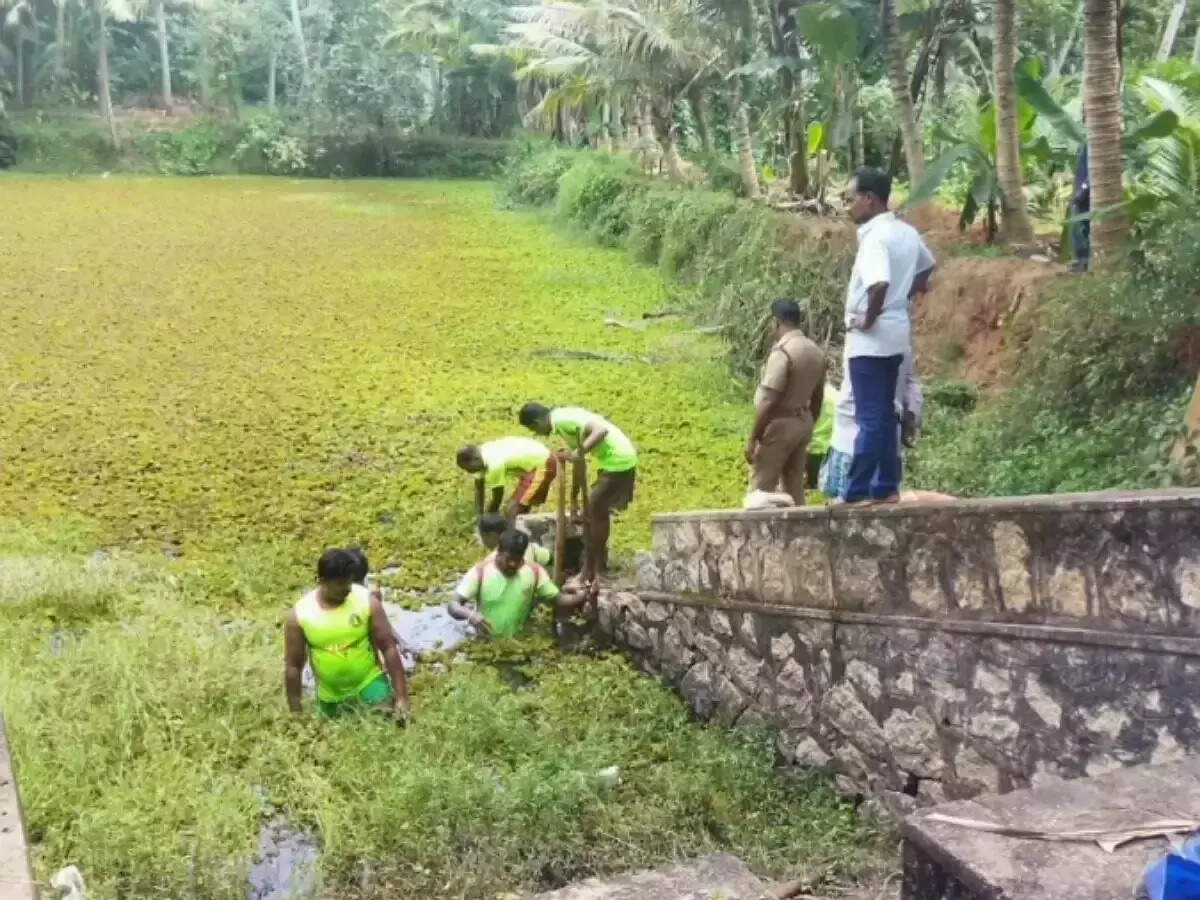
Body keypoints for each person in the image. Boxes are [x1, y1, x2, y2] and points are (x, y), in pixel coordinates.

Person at [840, 167, 935, 506]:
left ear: (869, 199)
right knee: (884, 413)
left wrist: (870, 316)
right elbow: (927, 266)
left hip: (872, 339)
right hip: (897, 334)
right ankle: (886, 486)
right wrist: (903, 296)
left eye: (851, 199)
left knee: (869, 417)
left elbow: (877, 282)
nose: (848, 206)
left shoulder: (875, 238)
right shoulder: (906, 232)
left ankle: (857, 491)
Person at [284, 548, 411, 719]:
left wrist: (402, 698)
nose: (347, 589)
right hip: (330, 696)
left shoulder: (367, 600)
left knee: (383, 722)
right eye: (340, 584)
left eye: (349, 583)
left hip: (370, 684)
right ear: (321, 581)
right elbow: (293, 666)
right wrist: (296, 712)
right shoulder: (300, 615)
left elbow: (388, 647)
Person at [519, 403, 637, 583]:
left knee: (595, 513)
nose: (537, 433)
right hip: (614, 461)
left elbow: (600, 431)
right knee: (594, 512)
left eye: (534, 428)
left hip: (618, 461)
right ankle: (596, 568)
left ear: (537, 421)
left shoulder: (563, 419)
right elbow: (579, 461)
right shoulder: (561, 423)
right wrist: (574, 499)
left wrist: (576, 453)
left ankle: (595, 569)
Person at [745, 298, 826, 505]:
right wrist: (808, 424)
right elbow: (817, 398)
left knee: (761, 489)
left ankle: (760, 533)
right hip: (803, 422)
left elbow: (768, 400)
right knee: (794, 485)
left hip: (779, 426)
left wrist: (754, 437)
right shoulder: (815, 352)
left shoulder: (783, 352)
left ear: (776, 323)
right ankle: (800, 530)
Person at [447, 529, 584, 637]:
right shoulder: (480, 572)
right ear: (499, 551)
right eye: (508, 559)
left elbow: (557, 600)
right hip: (486, 642)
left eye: (517, 560)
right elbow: (453, 605)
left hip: (520, 642)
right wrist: (470, 616)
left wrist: (580, 596)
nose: (513, 564)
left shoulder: (534, 572)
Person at [822, 353, 923, 500]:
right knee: (884, 510)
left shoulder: (862, 345)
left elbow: (854, 397)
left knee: (849, 513)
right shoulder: (901, 341)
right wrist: (911, 416)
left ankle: (856, 494)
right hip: (889, 445)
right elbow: (910, 382)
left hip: (853, 443)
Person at [456, 437, 558, 520]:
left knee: (512, 510)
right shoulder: (481, 454)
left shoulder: (494, 462)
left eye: (468, 468)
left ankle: (518, 538)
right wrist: (479, 515)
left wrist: (488, 519)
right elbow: (479, 487)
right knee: (519, 506)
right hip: (529, 468)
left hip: (543, 464)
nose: (468, 472)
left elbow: (497, 498)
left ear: (475, 459)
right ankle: (520, 529)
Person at [478, 512, 551, 566]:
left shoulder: (490, 562)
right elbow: (550, 559)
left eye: (482, 536)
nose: (482, 540)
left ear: (492, 535)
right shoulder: (530, 547)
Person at [807, 382, 839, 495]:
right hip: (831, 449)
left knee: (813, 486)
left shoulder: (811, 395)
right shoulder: (836, 395)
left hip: (813, 450)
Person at [1071, 142, 1090, 273]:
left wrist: (1082, 191)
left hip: (1087, 195)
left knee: (1081, 230)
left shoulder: (1091, 146)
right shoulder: (1083, 146)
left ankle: (1084, 262)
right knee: (1079, 230)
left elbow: (1091, 173)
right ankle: (1081, 262)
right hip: (1082, 194)